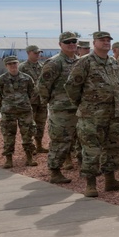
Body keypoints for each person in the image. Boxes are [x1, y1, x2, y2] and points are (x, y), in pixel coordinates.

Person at [64, 32, 119, 196]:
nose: (106, 42)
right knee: (91, 150)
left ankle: (110, 181)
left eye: (108, 40)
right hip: (91, 116)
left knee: (113, 148)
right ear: (94, 42)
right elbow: (71, 87)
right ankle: (91, 184)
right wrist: (83, 104)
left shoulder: (113, 63)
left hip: (113, 115)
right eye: (102, 40)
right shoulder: (85, 62)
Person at [37, 32, 79, 183]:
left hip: (78, 108)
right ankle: (55, 171)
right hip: (61, 109)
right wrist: (51, 102)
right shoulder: (54, 63)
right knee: (60, 140)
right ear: (60, 44)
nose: (71, 44)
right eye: (67, 42)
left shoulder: (79, 62)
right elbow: (43, 86)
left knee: (79, 140)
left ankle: (81, 166)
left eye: (74, 41)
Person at [0, 55, 36, 169]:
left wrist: (25, 103)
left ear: (18, 64)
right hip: (8, 112)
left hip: (25, 111)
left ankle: (29, 158)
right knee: (8, 135)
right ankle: (8, 160)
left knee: (28, 134)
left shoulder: (27, 78)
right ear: (6, 66)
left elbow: (32, 92)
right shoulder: (1, 79)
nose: (13, 66)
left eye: (14, 63)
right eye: (10, 64)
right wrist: (3, 105)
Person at [19, 45, 47, 153]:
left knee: (41, 124)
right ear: (28, 53)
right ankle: (30, 147)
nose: (38, 55)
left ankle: (39, 145)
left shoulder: (43, 66)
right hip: (30, 102)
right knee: (29, 125)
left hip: (42, 101)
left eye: (39, 53)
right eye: (35, 53)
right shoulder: (22, 67)